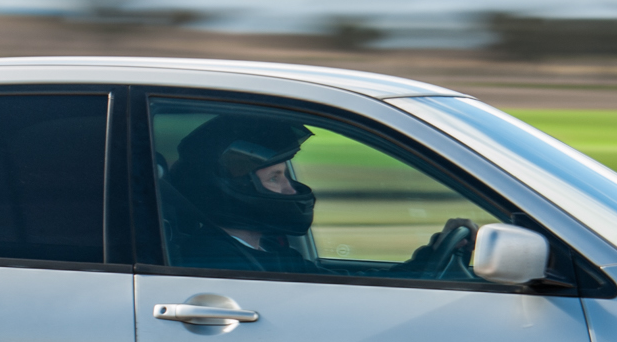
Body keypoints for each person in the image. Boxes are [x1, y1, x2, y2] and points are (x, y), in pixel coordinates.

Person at [161, 113, 478, 278]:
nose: (290, 190)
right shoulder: (215, 259)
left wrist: (431, 254)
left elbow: (345, 284)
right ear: (233, 188)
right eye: (276, 178)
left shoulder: (267, 252)